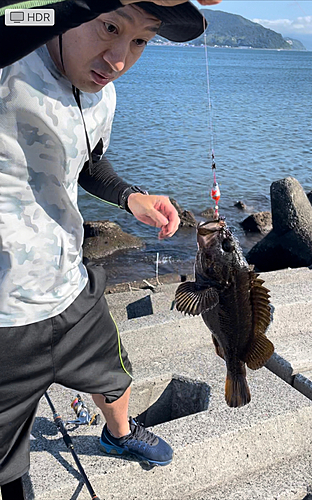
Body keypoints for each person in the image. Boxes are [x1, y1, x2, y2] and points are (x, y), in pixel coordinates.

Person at [0, 0, 221, 497]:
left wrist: (130, 196)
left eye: (140, 39)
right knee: (6, 465)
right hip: (4, 317)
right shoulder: (11, 56)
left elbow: (87, 163)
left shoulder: (104, 95)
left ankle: (119, 434)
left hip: (69, 283)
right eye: (109, 27)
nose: (118, 58)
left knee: (114, 372)